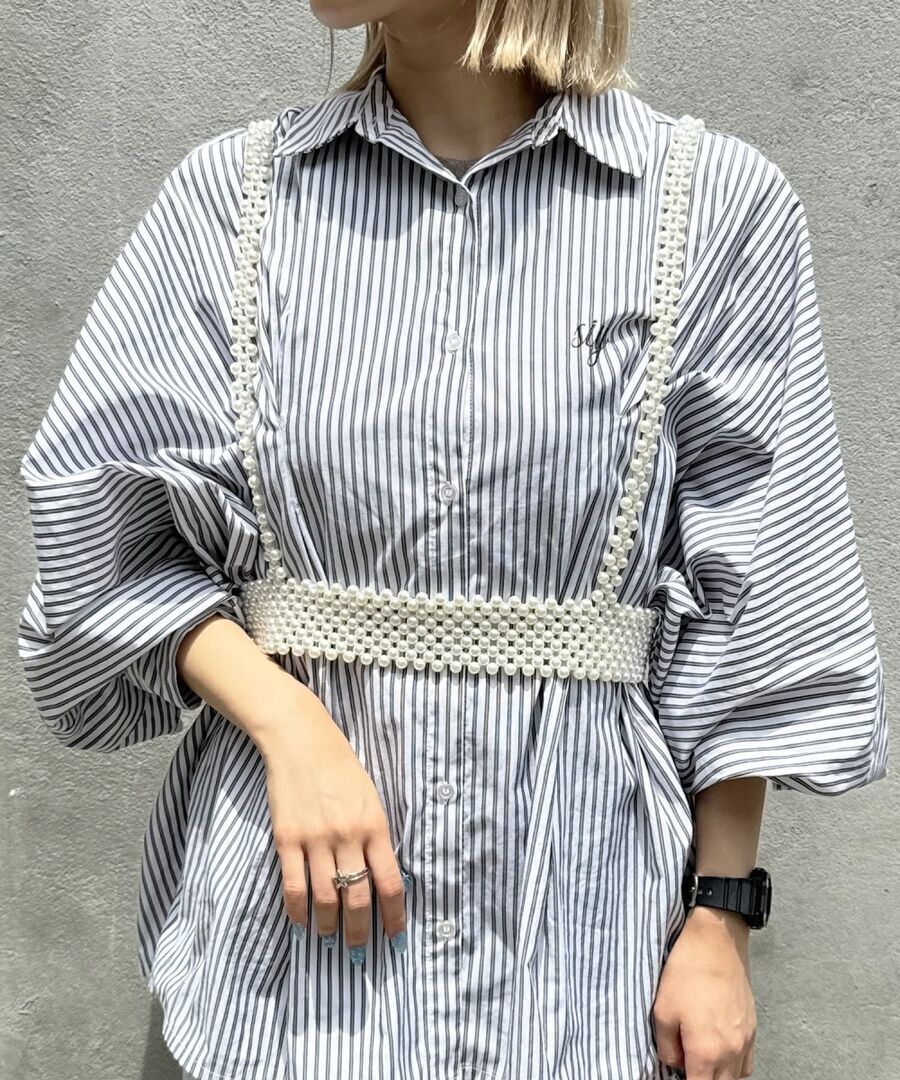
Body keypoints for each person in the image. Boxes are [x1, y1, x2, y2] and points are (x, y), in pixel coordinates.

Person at [17, 1, 889, 1079]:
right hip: (293, 937)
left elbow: (761, 584)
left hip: (582, 939)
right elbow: (107, 533)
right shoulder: (232, 202)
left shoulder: (710, 206)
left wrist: (721, 917)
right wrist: (288, 721)